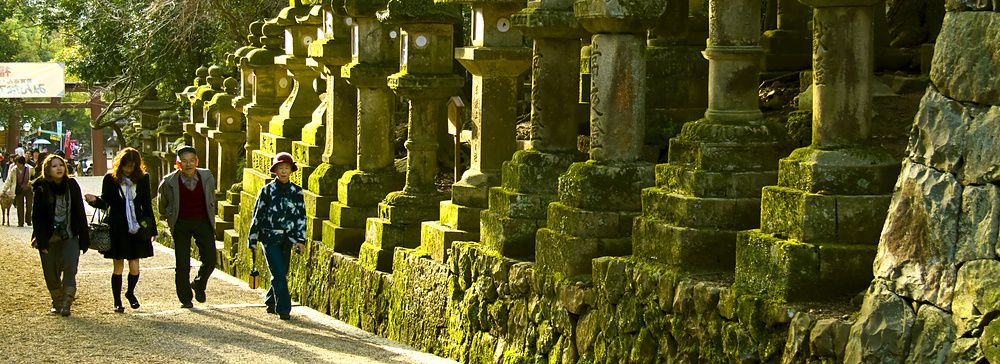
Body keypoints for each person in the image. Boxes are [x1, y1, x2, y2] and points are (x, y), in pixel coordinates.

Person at [84, 148, 157, 313]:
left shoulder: (143, 179)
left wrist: (152, 228)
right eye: (125, 166)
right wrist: (95, 201)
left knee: (135, 266)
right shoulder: (110, 179)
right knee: (118, 265)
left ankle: (130, 292)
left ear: (137, 166)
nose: (128, 169)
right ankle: (117, 301)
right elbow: (106, 203)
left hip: (136, 226)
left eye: (131, 166)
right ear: (120, 164)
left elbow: (146, 205)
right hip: (117, 226)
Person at [247, 152, 306, 320]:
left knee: (281, 273)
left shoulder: (297, 191)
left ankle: (270, 300)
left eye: (287, 168)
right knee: (279, 273)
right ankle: (284, 308)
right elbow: (257, 215)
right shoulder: (266, 191)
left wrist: (300, 240)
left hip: (288, 238)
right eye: (280, 168)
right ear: (275, 170)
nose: (284, 171)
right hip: (269, 237)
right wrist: (252, 239)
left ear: (291, 170)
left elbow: (301, 217)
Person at [157, 145, 217, 308]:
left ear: (197, 161)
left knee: (211, 259)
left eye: (191, 161)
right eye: (184, 161)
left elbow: (211, 197)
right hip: (181, 222)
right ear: (178, 164)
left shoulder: (206, 176)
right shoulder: (169, 181)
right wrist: (169, 214)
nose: (188, 164)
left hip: (202, 221)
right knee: (182, 263)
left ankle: (199, 283)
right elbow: (161, 204)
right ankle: (185, 298)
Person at [31, 154, 90, 316]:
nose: (59, 168)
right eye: (54, 166)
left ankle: (66, 303)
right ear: (48, 170)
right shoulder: (41, 186)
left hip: (69, 234)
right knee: (50, 271)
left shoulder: (72, 185)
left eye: (61, 165)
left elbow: (80, 211)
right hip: (48, 236)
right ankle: (56, 301)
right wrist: (41, 241)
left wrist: (84, 237)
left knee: (70, 267)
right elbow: (37, 216)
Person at [2, 156, 34, 226]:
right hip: (19, 189)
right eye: (16, 163)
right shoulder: (14, 170)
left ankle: (28, 220)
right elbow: (9, 180)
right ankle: (20, 222)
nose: (17, 165)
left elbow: (34, 178)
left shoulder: (30, 169)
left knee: (29, 206)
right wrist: (4, 190)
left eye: (18, 163)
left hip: (28, 189)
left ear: (22, 163)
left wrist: (31, 183)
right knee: (20, 206)